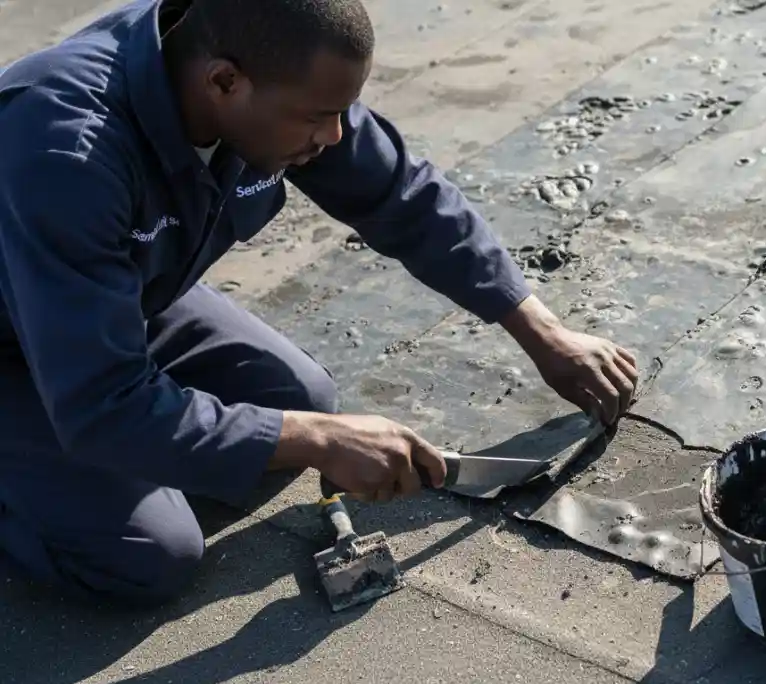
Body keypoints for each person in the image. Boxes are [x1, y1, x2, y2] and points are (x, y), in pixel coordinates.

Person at [0, 0, 638, 605]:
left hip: (111, 294)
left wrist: (541, 329)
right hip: (21, 337)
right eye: (317, 118)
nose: (336, 135)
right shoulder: (67, 152)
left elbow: (401, 196)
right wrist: (316, 441)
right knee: (151, 555)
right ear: (225, 82)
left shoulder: (261, 67)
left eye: (344, 112)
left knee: (299, 401)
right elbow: (101, 405)